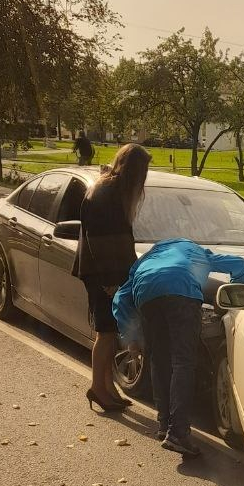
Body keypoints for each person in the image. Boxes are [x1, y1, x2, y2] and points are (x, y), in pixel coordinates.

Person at [114, 239, 244, 458]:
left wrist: (131, 338)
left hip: (147, 294)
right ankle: (178, 432)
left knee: (158, 360)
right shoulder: (196, 252)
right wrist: (234, 305)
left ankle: (164, 425)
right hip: (182, 292)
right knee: (183, 362)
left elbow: (120, 298)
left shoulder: (146, 260)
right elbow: (242, 265)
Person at [72, 143, 151, 412]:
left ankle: (107, 387)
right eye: (143, 171)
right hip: (101, 274)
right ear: (134, 170)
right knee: (105, 333)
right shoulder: (105, 194)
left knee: (107, 331)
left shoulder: (112, 189)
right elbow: (98, 241)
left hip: (107, 272)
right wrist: (109, 281)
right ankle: (98, 388)